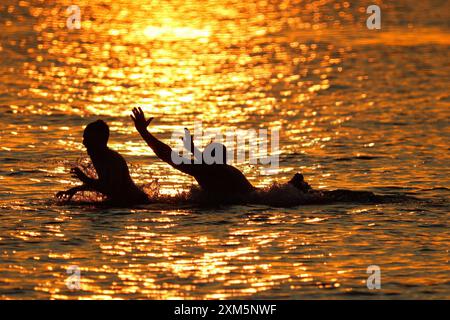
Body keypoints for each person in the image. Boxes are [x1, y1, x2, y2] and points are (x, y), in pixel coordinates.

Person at [130, 107, 256, 198]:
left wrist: (143, 132)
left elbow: (166, 154)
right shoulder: (231, 171)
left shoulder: (203, 170)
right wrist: (192, 149)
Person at [56, 120, 149, 205]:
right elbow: (104, 183)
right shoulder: (99, 157)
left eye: (87, 139)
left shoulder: (112, 159)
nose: (84, 143)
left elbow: (113, 190)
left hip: (137, 203)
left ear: (98, 140)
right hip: (127, 203)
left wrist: (85, 179)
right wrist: (75, 189)